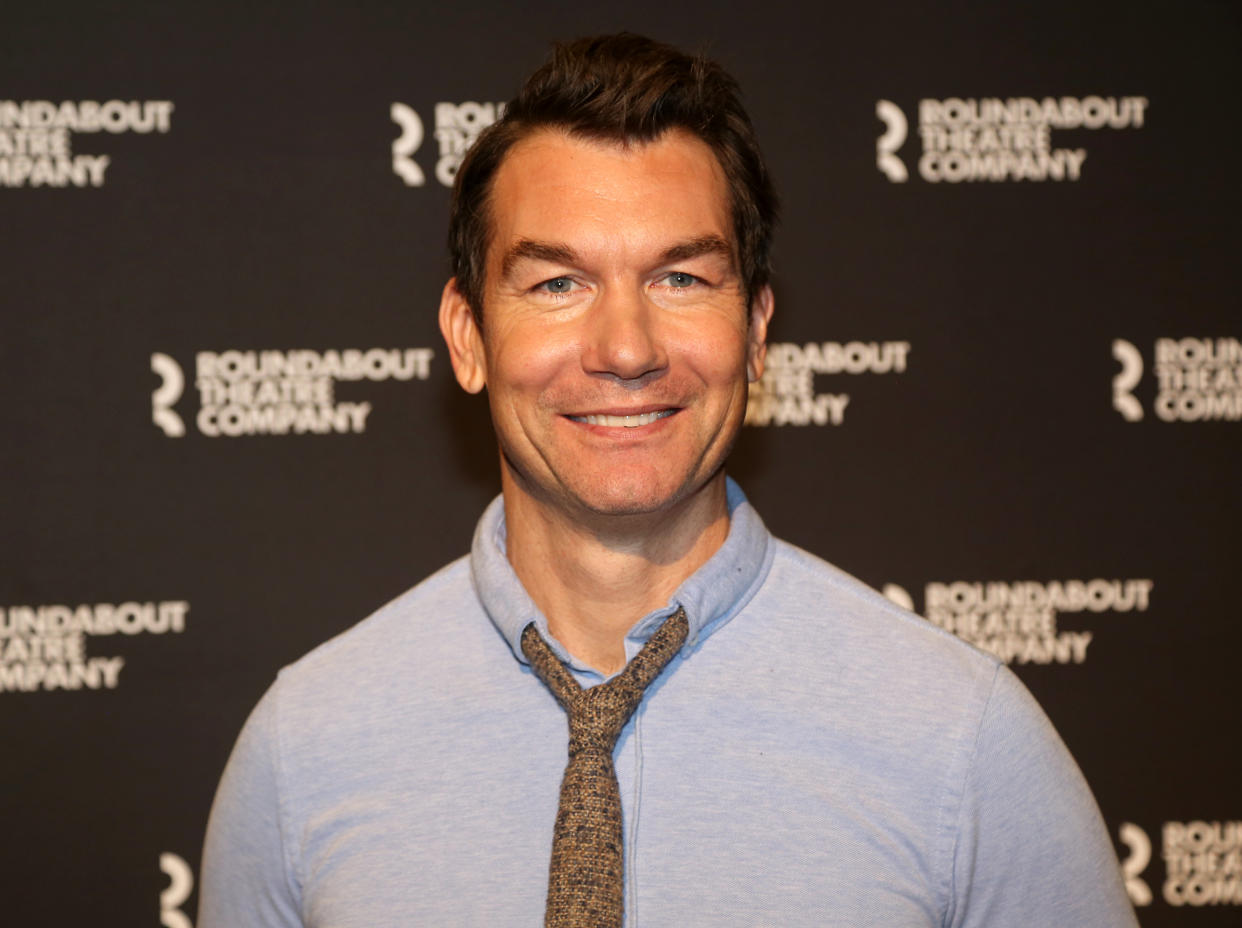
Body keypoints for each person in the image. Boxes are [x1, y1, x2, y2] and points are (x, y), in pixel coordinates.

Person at [199, 34, 1138, 927]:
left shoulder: (963, 742)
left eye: (681, 279)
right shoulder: (305, 748)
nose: (625, 349)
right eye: (556, 284)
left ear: (758, 330)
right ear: (467, 337)